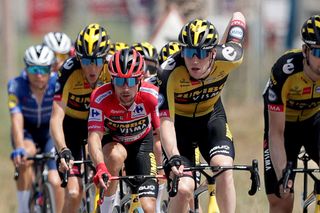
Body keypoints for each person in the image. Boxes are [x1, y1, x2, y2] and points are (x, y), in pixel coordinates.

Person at [158, 12, 246, 213]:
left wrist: (237, 16)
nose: (194, 60)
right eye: (189, 53)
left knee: (223, 168)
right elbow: (165, 121)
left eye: (201, 53)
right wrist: (173, 156)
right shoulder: (168, 72)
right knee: (184, 188)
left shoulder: (231, 58)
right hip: (180, 127)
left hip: (211, 118)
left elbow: (238, 18)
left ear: (213, 53)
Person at [87, 48, 160, 213]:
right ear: (112, 80)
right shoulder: (100, 97)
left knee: (149, 208)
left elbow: (162, 134)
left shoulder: (152, 96)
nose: (126, 89)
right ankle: (106, 209)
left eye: (132, 82)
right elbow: (94, 137)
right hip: (113, 142)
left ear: (140, 80)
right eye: (119, 82)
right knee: (115, 156)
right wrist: (100, 166)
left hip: (141, 143)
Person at [50, 23, 111, 213]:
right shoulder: (68, 71)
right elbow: (56, 118)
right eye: (86, 61)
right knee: (74, 193)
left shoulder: (112, 69)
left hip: (102, 125)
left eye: (97, 60)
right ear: (78, 58)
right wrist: (63, 149)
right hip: (72, 128)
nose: (92, 68)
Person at [263, 15, 320, 212]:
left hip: (314, 121)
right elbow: (276, 133)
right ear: (305, 50)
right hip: (284, 127)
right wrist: (282, 174)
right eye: (319, 52)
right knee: (281, 197)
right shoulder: (285, 70)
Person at [7, 44, 64, 213]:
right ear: (26, 68)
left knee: (55, 180)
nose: (39, 75)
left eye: (43, 69)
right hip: (27, 132)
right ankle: (24, 209)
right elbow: (16, 119)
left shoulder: (58, 83)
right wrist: (19, 148)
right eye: (34, 69)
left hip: (49, 133)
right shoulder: (16, 85)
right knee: (25, 156)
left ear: (51, 68)